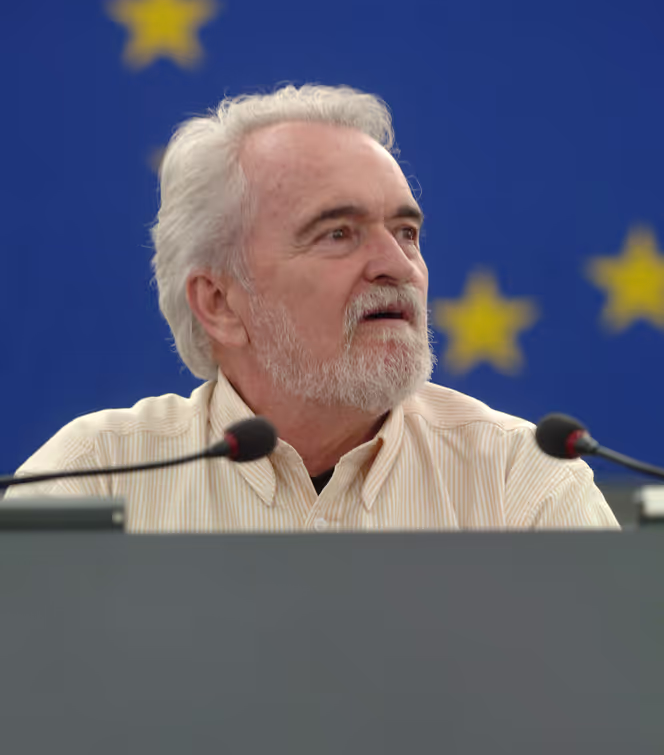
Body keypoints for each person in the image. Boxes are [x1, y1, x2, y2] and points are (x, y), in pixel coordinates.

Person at [6, 84, 618, 531]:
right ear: (219, 302)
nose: (398, 266)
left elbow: (611, 697)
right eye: (338, 234)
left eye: (406, 232)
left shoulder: (521, 481)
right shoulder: (98, 475)